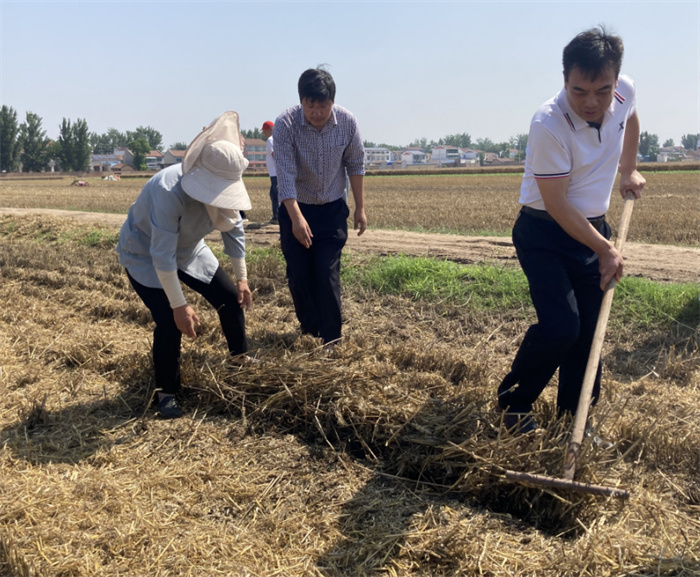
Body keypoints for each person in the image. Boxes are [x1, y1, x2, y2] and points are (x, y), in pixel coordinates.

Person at [496, 26, 646, 433]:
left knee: (588, 336)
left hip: (592, 228)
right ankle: (513, 404)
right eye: (579, 91)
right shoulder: (548, 124)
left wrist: (627, 169)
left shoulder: (624, 91)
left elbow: (631, 119)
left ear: (615, 79)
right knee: (563, 326)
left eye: (602, 89)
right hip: (544, 233)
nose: (591, 102)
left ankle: (573, 423)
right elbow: (558, 205)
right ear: (565, 80)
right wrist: (605, 249)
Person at [116, 111, 254, 419]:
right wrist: (179, 305)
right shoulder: (169, 190)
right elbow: (161, 256)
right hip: (145, 254)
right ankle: (166, 394)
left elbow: (234, 229)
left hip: (189, 249)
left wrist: (242, 279)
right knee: (168, 320)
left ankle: (240, 362)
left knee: (230, 300)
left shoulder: (224, 187)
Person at [273, 67, 367, 346]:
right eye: (310, 105)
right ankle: (310, 331)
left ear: (332, 102)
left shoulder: (348, 122)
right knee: (299, 275)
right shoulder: (286, 124)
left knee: (326, 272)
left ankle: (331, 339)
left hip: (331, 210)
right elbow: (285, 174)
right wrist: (296, 218)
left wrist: (360, 207)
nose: (316, 112)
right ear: (301, 101)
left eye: (323, 106)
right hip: (295, 209)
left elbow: (356, 163)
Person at [261, 120, 279, 224]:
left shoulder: (270, 140)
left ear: (269, 130)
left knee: (275, 194)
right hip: (276, 172)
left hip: (274, 172)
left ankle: (276, 217)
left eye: (264, 130)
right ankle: (276, 216)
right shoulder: (278, 139)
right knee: (274, 194)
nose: (264, 133)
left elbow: (274, 154)